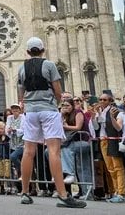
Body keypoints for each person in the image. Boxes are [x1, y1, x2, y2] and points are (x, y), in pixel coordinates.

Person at [16, 37, 85, 208]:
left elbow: (20, 94)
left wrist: (27, 103)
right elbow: (58, 91)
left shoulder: (21, 68)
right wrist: (56, 102)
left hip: (30, 112)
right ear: (43, 50)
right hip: (48, 110)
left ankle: (24, 192)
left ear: (27, 52)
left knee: (28, 152)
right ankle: (63, 195)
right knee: (54, 151)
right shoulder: (49, 65)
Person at [95, 92, 125, 203]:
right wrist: (94, 116)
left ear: (110, 101)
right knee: (110, 168)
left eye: (105, 100)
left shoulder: (115, 111)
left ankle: (121, 192)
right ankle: (115, 191)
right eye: (100, 99)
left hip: (113, 140)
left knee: (118, 167)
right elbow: (96, 127)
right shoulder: (100, 112)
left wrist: (112, 117)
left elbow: (118, 128)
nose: (102, 102)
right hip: (103, 140)